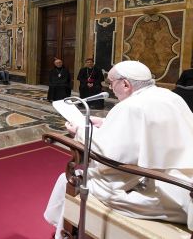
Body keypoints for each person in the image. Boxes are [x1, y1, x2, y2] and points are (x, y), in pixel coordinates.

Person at [44, 61, 193, 238]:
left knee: (67, 179)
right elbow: (150, 130)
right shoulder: (169, 96)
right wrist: (106, 123)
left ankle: (66, 232)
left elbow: (108, 158)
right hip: (184, 185)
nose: (111, 88)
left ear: (125, 84)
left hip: (162, 190)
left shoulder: (131, 106)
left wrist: (79, 131)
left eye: (111, 83)